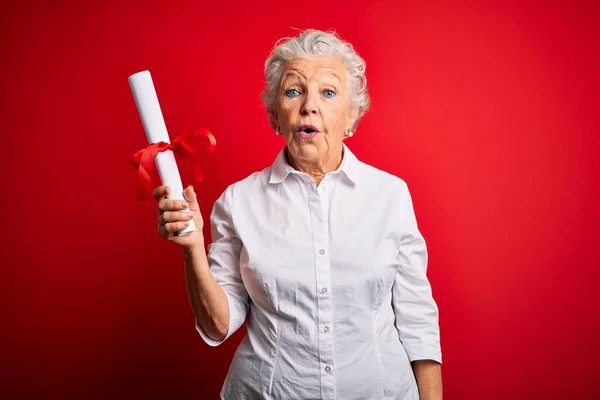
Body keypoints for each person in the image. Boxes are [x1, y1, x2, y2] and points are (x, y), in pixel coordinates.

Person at [153, 29, 442, 400]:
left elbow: (418, 319)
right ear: (276, 115)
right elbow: (218, 325)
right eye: (293, 91)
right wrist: (192, 250)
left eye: (328, 92)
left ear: (352, 115)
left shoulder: (390, 196)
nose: (309, 105)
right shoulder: (237, 202)